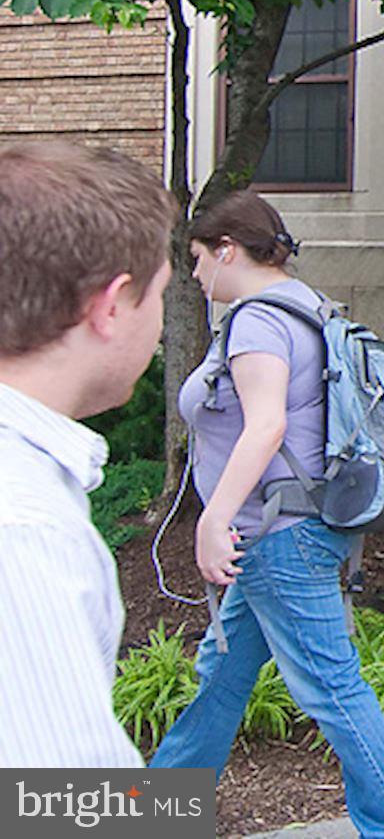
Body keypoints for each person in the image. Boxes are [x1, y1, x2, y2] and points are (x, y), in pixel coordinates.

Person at [151, 191, 384, 839]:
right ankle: (161, 807)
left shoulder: (257, 319)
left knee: (332, 689)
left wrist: (211, 518)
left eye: (198, 258)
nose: (196, 275)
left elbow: (266, 425)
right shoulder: (308, 302)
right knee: (220, 673)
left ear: (227, 249)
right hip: (290, 530)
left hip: (278, 536)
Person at [0, 142, 174, 766]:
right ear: (109, 305)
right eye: (158, 295)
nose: (159, 321)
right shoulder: (25, 531)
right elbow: (59, 807)